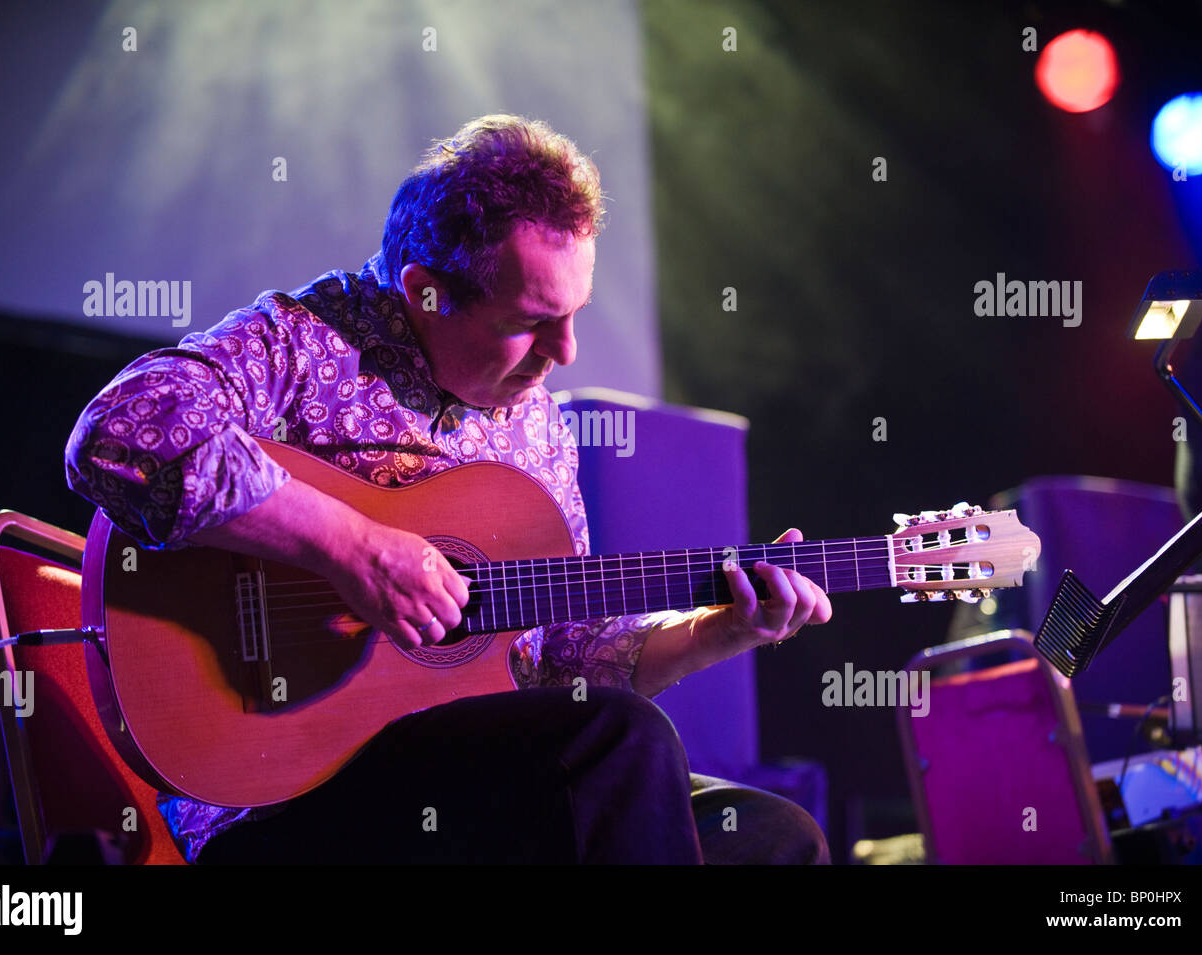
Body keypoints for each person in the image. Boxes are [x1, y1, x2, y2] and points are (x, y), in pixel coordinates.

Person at [64, 114, 832, 864]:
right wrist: (353, 548)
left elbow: (562, 661)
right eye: (531, 321)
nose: (564, 354)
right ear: (426, 291)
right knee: (619, 740)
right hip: (284, 793)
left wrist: (719, 629)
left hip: (475, 781)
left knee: (771, 833)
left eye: (575, 316)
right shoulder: (301, 342)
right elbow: (119, 433)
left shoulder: (537, 426)